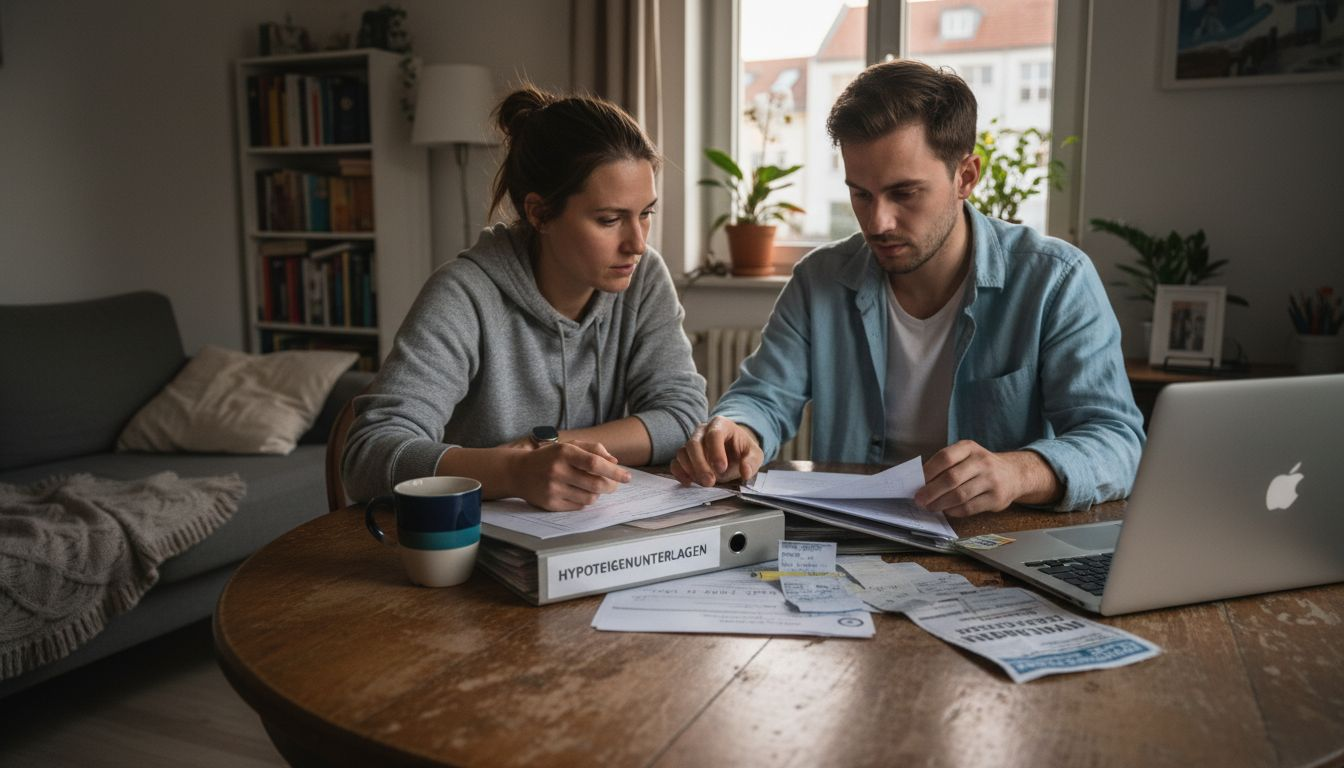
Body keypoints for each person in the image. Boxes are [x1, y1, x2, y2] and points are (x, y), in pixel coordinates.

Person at [672, 59, 1145, 516]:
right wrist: (737, 429)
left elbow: (1116, 441)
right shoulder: (819, 280)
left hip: (996, 541)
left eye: (904, 193)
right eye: (861, 193)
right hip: (852, 537)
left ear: (966, 177)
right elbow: (763, 397)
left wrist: (1018, 472)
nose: (878, 222)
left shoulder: (1055, 280)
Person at [344, 85, 707, 511]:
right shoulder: (464, 295)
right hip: (476, 544)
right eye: (610, 219)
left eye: (646, 213)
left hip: (593, 534)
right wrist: (512, 472)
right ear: (539, 213)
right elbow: (368, 455)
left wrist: (551, 448)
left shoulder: (643, 277)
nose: (638, 243)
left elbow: (682, 416)